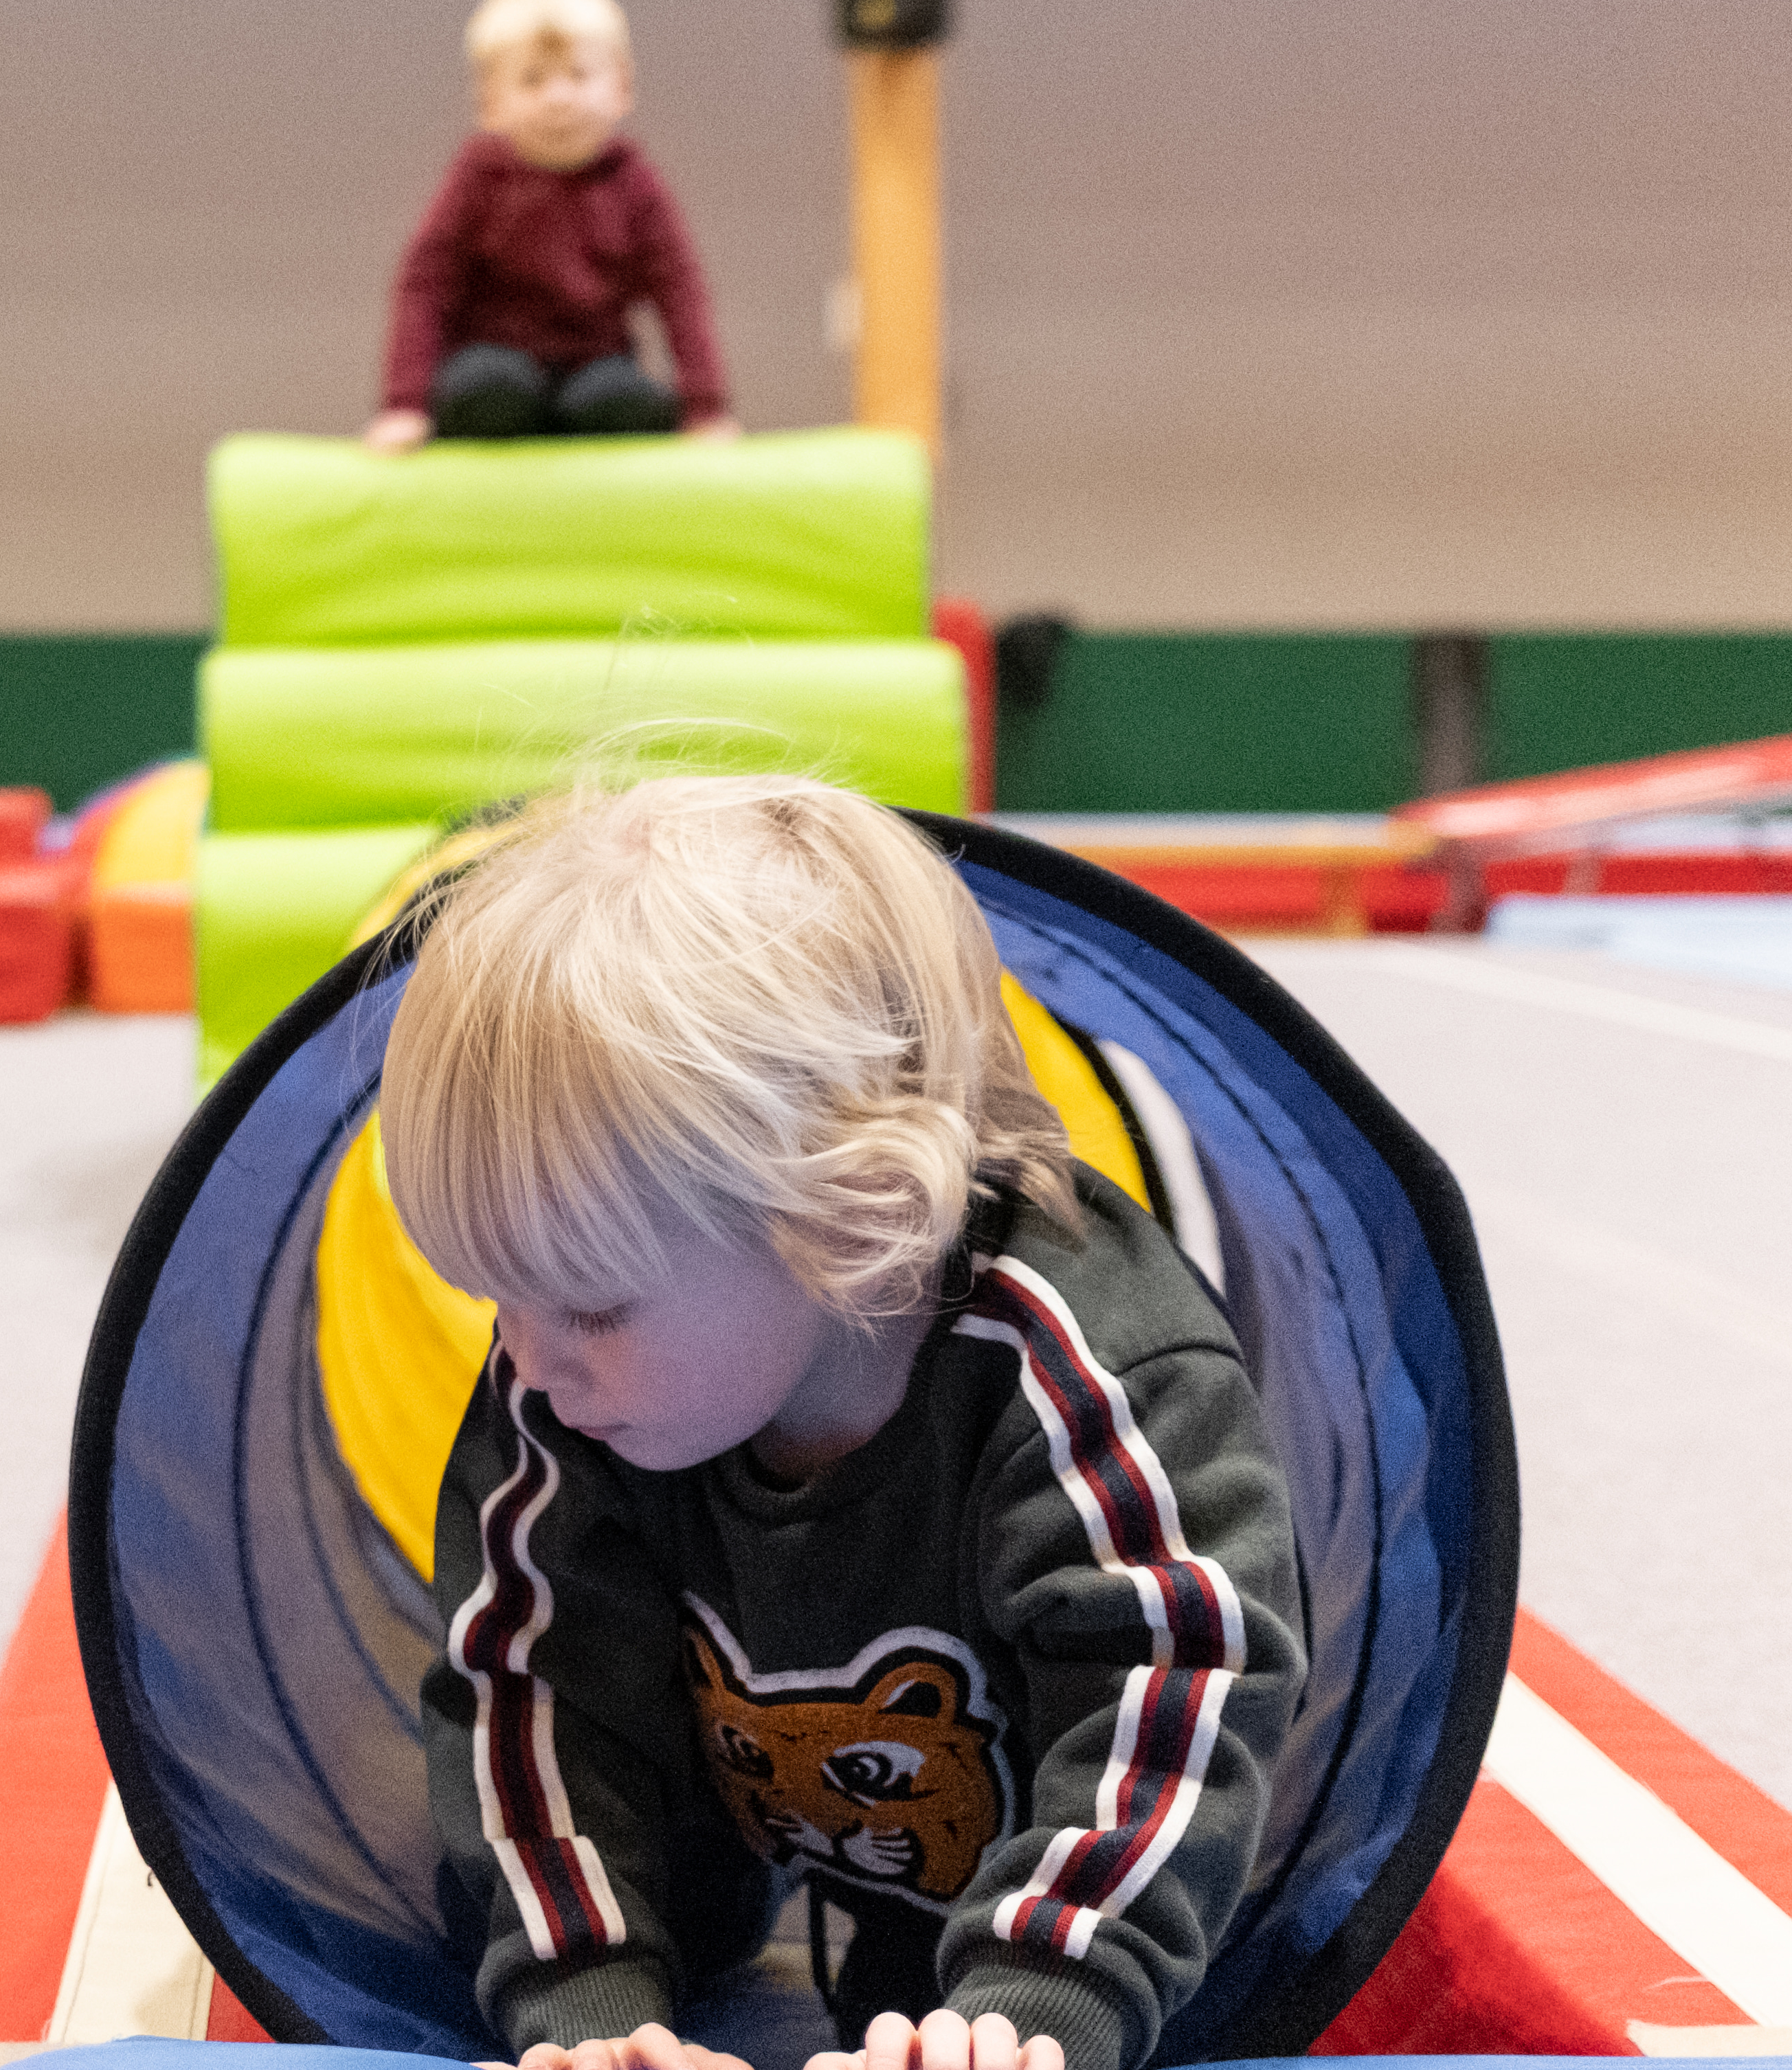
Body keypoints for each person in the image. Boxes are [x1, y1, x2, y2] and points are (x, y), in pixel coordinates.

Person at [382, 775, 1304, 2070]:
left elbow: (1174, 1684)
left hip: (1084, 1903)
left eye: (591, 1305)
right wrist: (593, 2011)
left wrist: (1032, 2011)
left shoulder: (1079, 1370)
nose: (528, 1365)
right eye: (497, 1296)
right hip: (805, 1849)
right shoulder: (567, 1391)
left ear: (848, 1211)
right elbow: (528, 1694)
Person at [364, 0, 741, 453]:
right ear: (490, 103)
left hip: (593, 366)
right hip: (494, 362)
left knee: (624, 401)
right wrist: (404, 405)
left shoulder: (632, 180)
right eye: (532, 80)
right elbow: (426, 283)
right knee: (489, 388)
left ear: (621, 88)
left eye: (579, 76)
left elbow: (679, 287)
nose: (558, 98)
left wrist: (706, 408)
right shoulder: (479, 177)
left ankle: (578, 418)